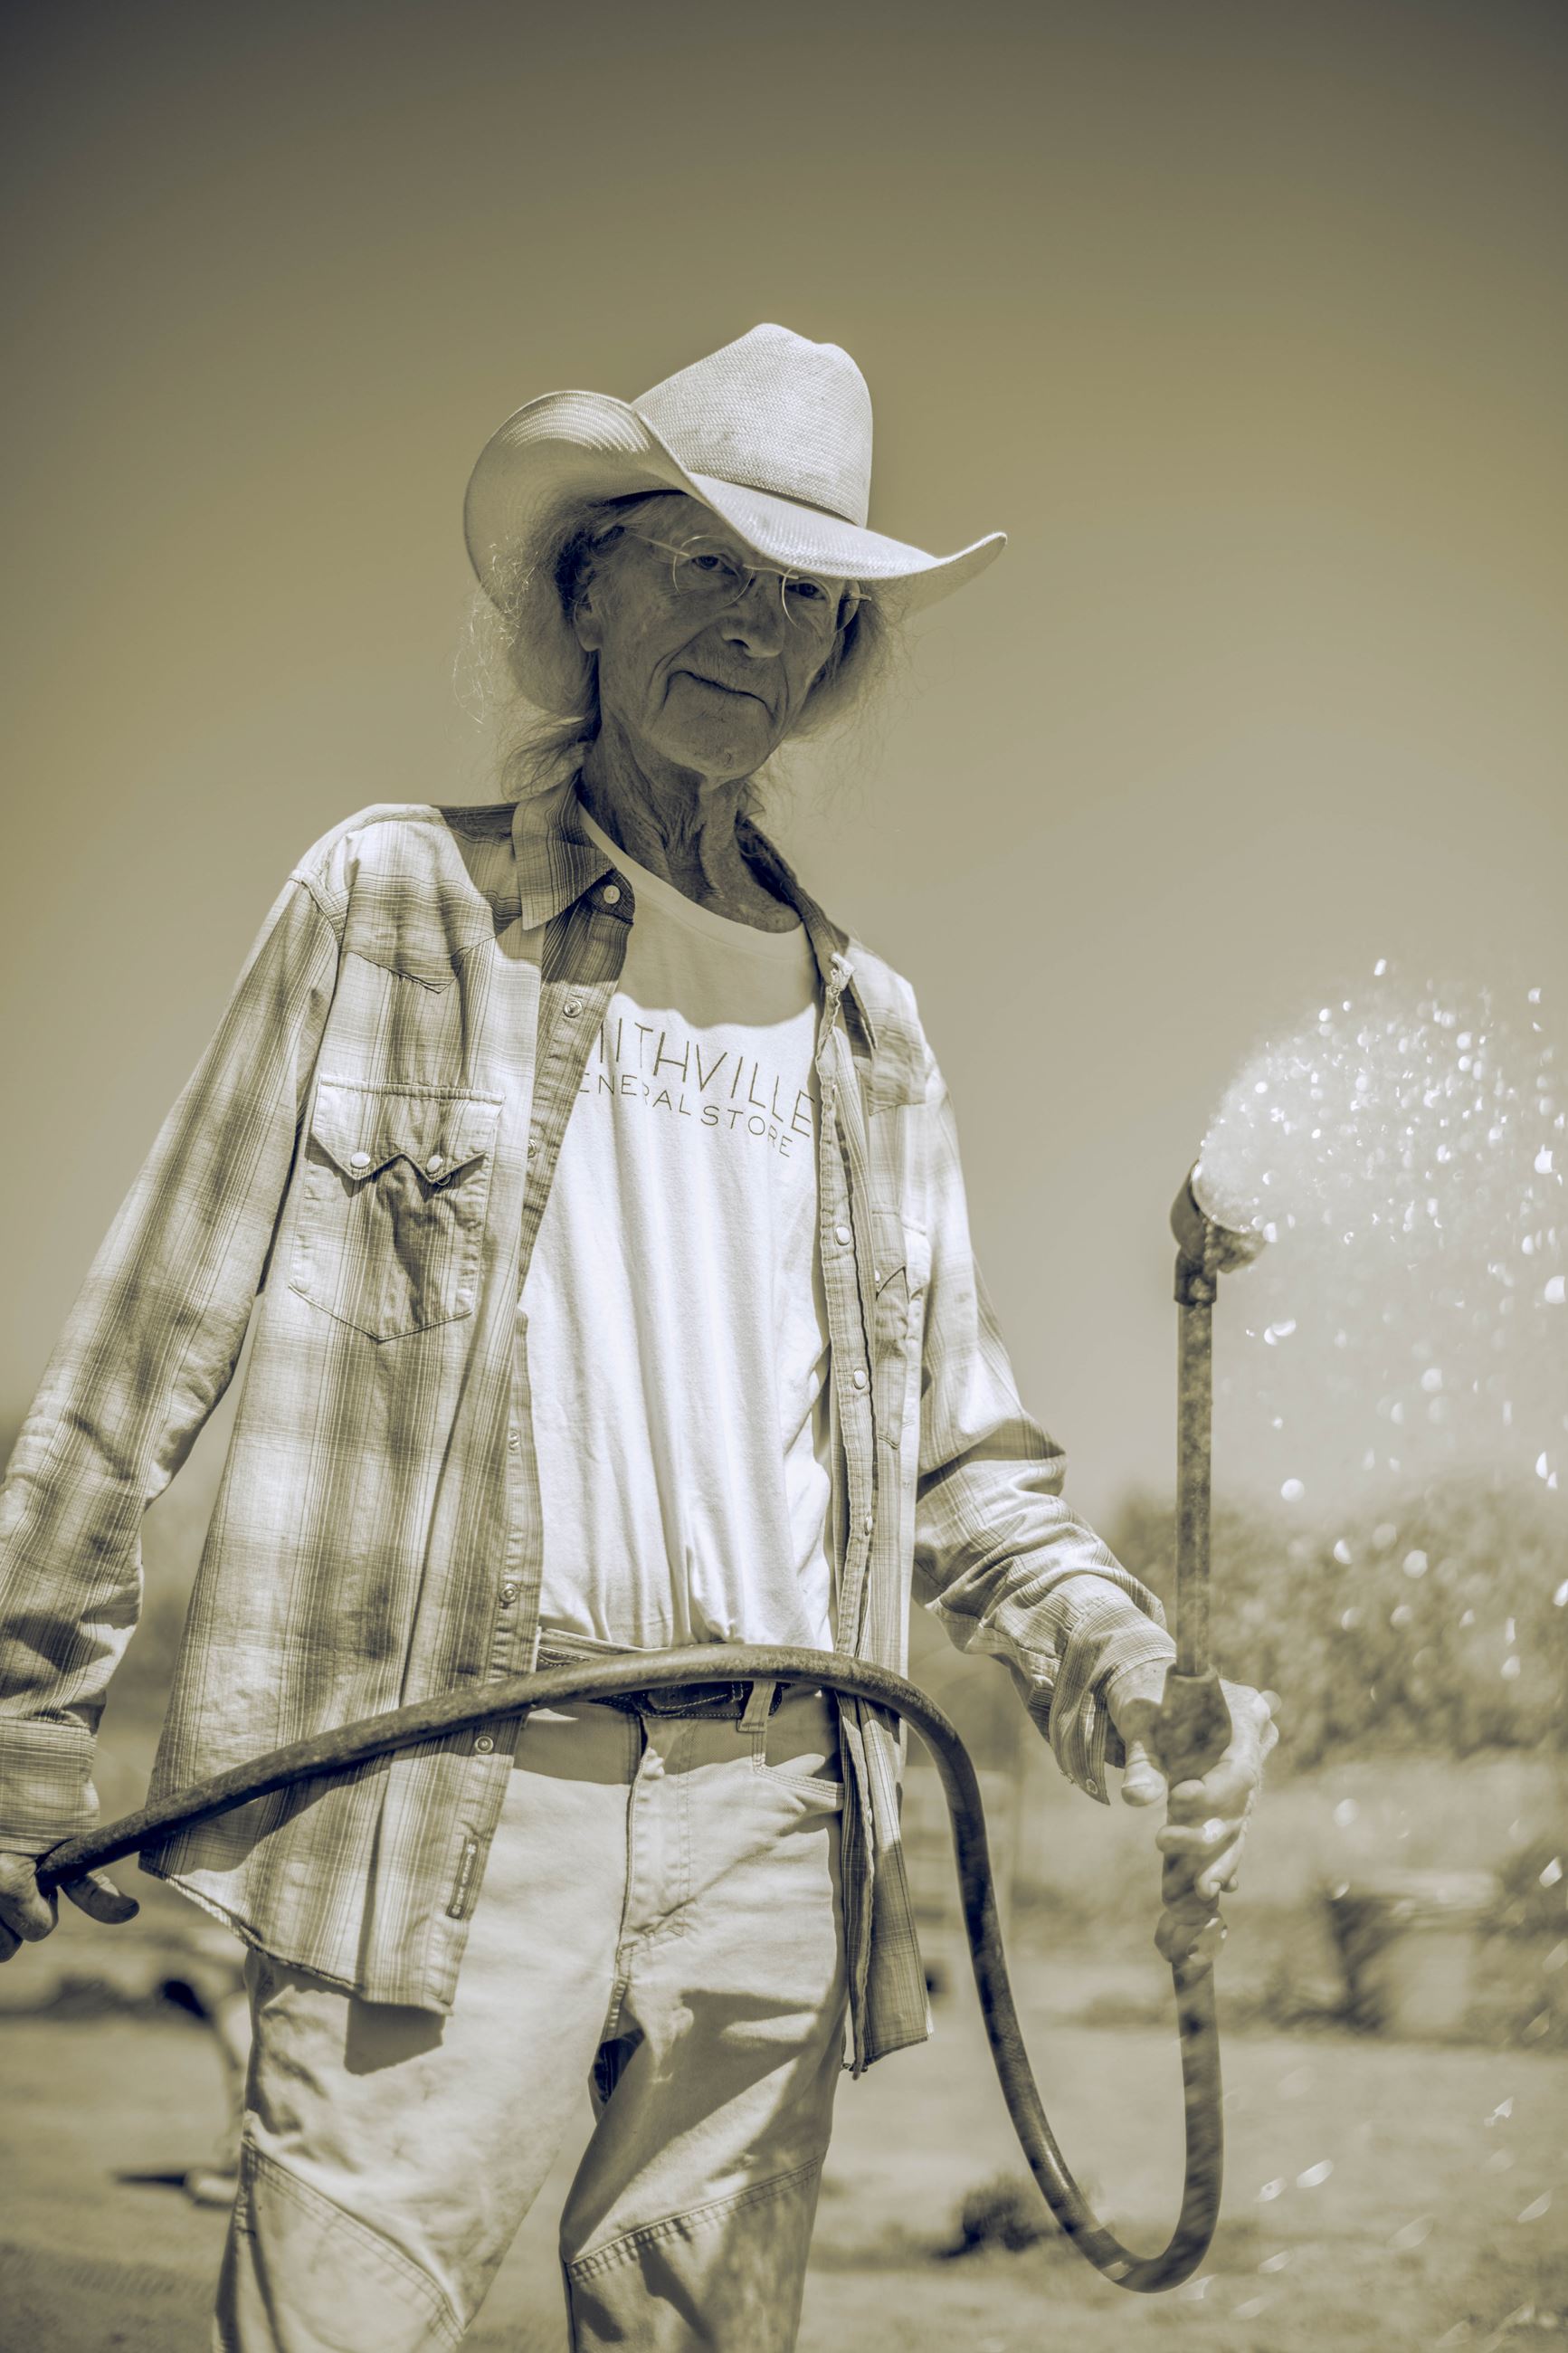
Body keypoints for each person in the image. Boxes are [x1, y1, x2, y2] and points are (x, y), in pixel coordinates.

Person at [0, 322, 1277, 2351]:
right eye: (704, 563)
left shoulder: (876, 1034)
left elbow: (967, 1467)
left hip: (778, 1835)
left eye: (801, 595)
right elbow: (149, 1333)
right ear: (585, 588)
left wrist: (1131, 1674)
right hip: (433, 1794)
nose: (752, 632)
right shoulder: (392, 906)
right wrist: (18, 1720)